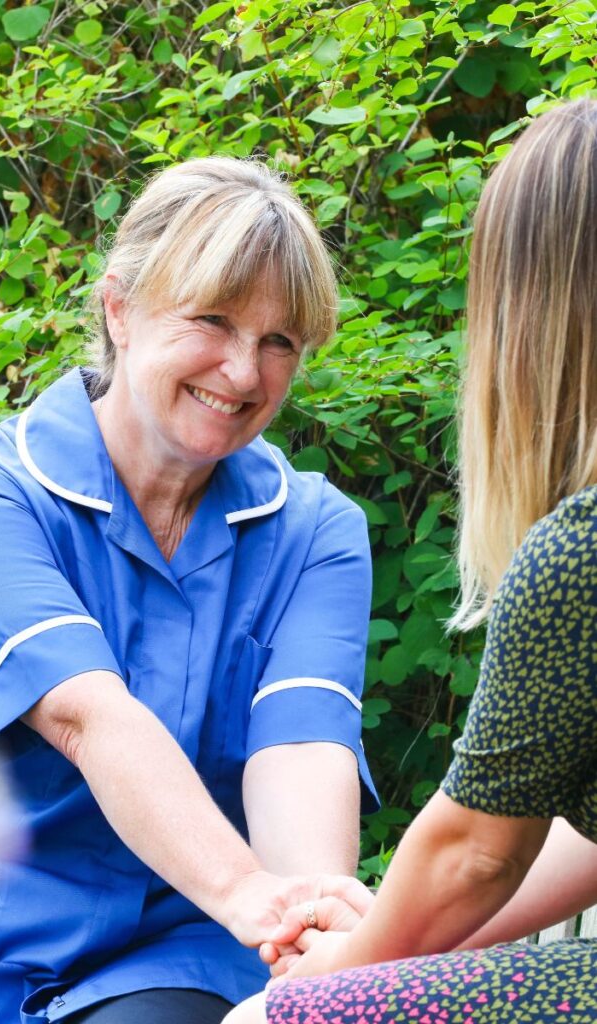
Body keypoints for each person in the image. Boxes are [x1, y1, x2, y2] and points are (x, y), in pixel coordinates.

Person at [0, 157, 379, 1024]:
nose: (243, 373)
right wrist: (252, 894)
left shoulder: (316, 531)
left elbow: (300, 749)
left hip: (179, 953)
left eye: (278, 341)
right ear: (118, 308)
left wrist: (310, 931)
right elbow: (89, 718)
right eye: (212, 320)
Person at [224, 100, 597, 1024]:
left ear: (535, 304)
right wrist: (374, 949)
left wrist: (321, 985)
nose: (244, 374)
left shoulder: (580, 554)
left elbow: (475, 851)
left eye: (278, 340)